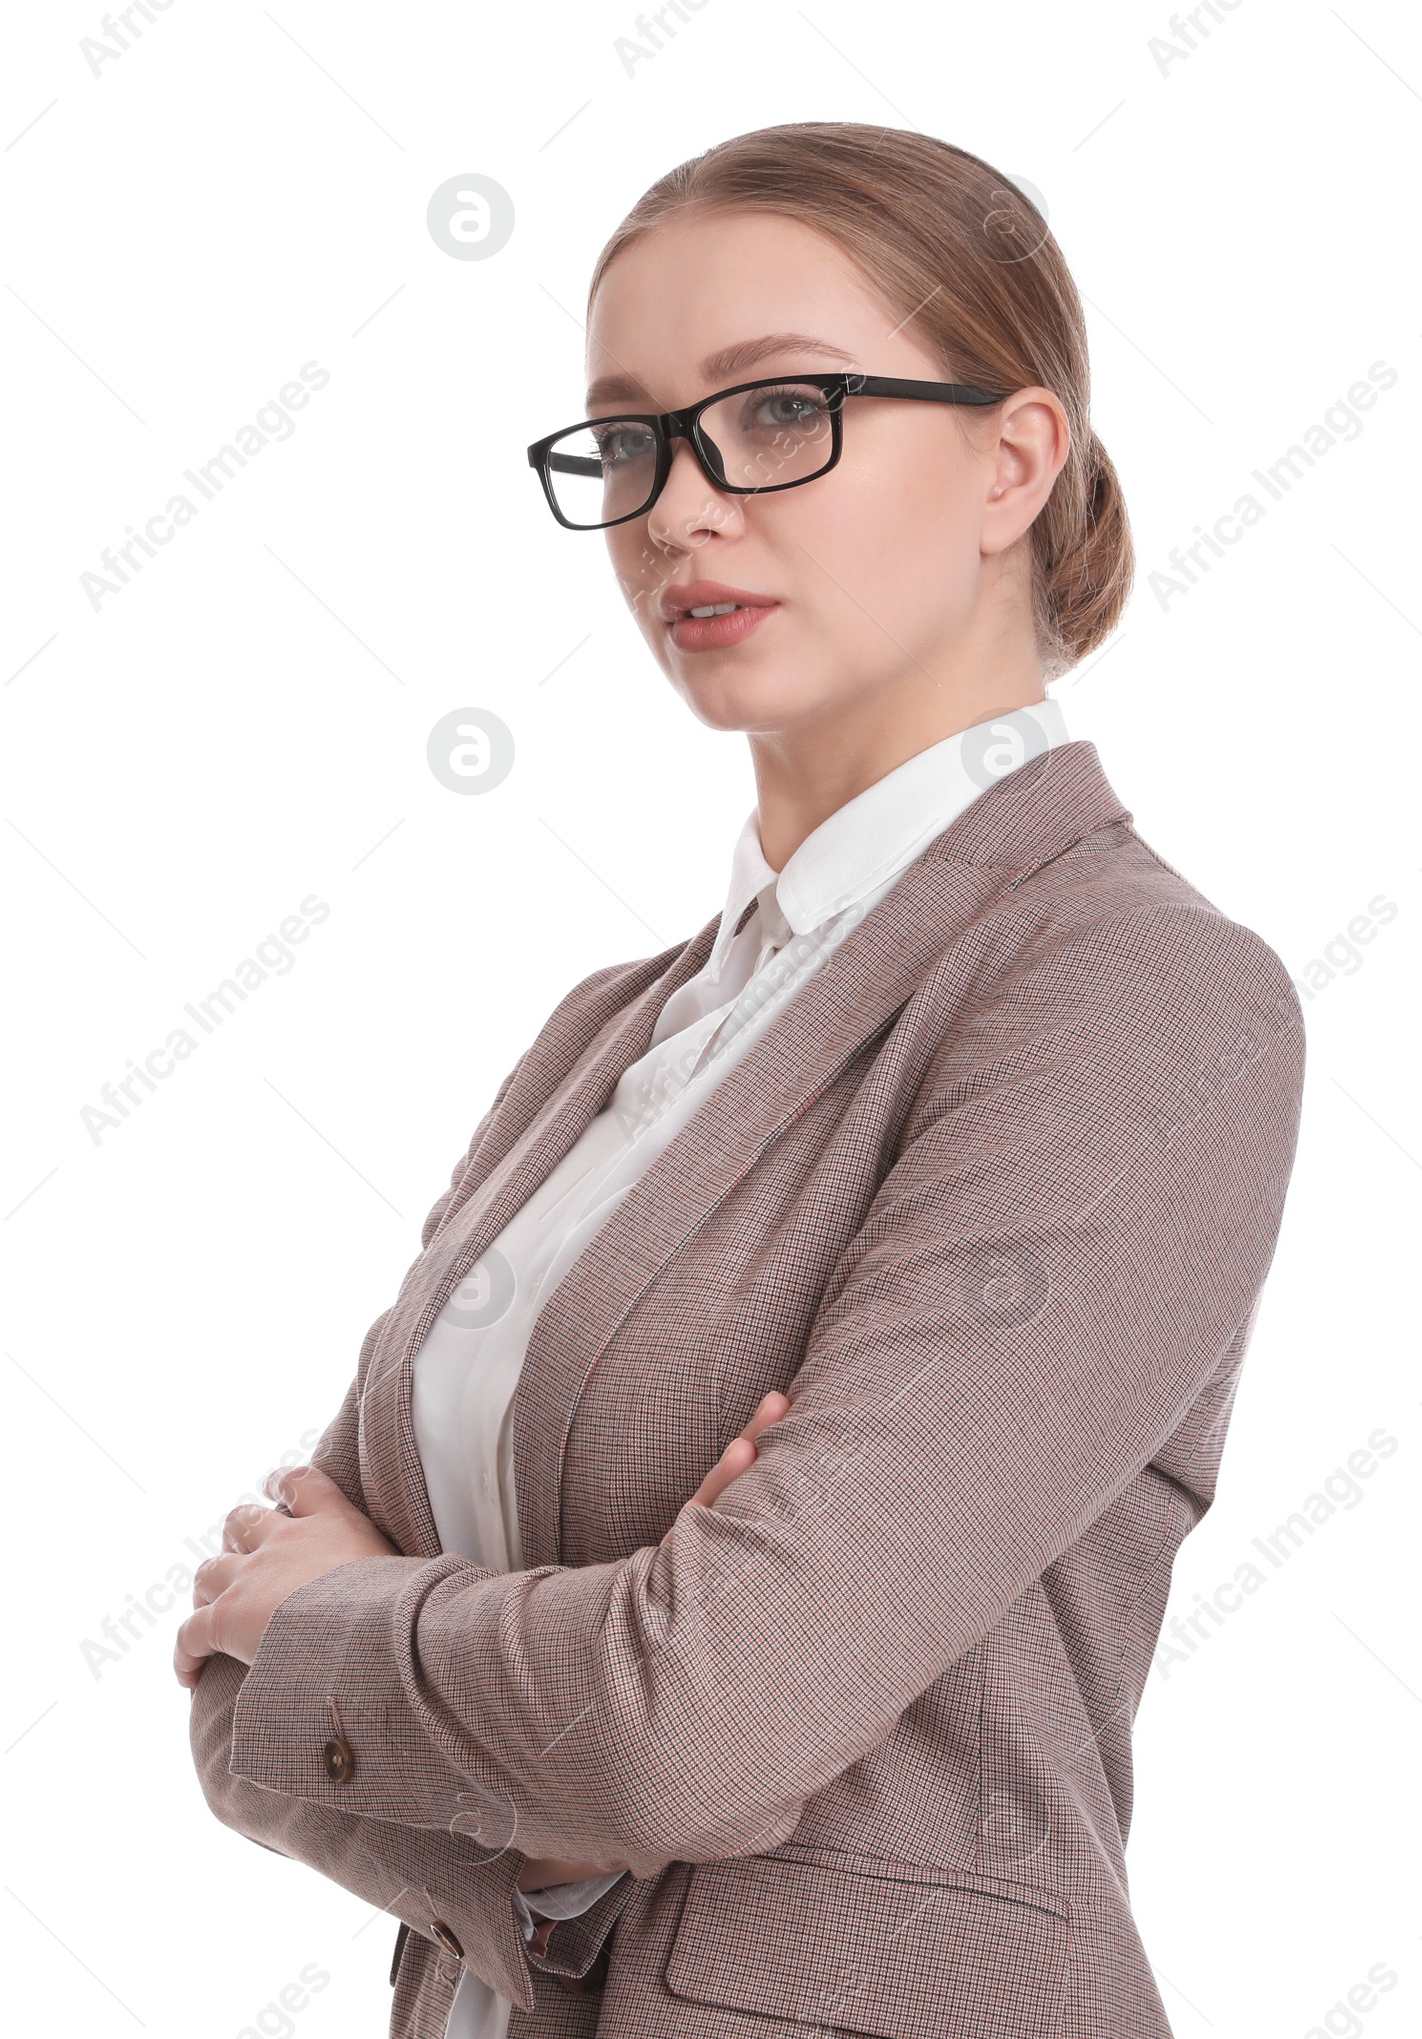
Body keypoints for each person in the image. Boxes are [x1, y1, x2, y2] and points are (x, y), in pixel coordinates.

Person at [179, 121, 1305, 2038]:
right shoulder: (610, 1033)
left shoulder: (1133, 993)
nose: (680, 508)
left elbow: (700, 1717)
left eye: (779, 413)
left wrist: (358, 1641)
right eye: (627, 438)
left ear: (1012, 459)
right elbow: (236, 1711)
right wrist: (552, 1790)